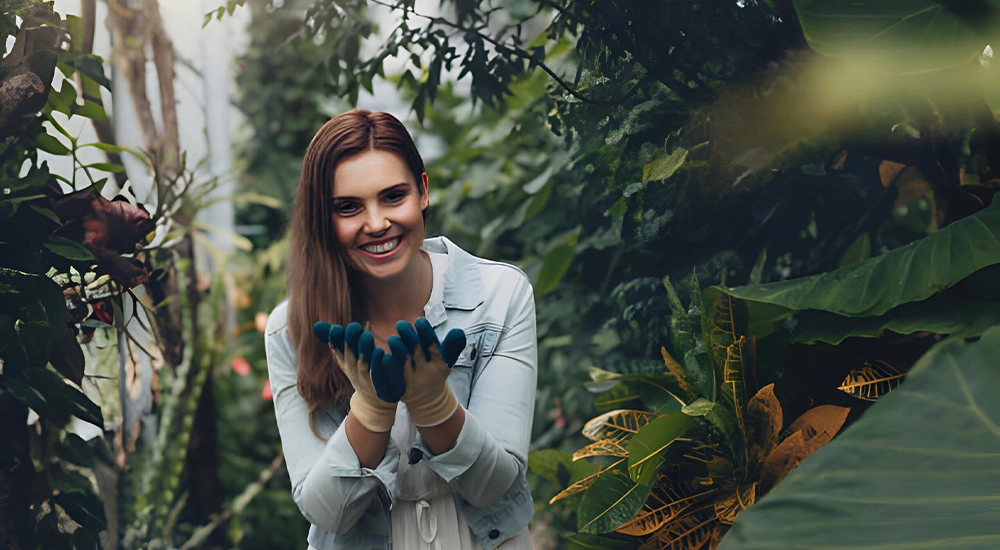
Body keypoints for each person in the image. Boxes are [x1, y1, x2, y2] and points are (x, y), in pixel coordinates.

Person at [264, 109, 537, 550]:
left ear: (423, 192)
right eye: (348, 207)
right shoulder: (290, 330)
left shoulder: (500, 295)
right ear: (322, 217)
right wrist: (371, 409)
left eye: (393, 196)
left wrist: (433, 405)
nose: (376, 223)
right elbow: (326, 511)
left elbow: (494, 487)